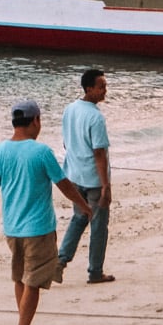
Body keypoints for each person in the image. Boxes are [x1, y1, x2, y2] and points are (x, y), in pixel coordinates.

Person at [0, 98, 93, 325]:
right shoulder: (41, 152)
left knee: (21, 278)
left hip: (12, 228)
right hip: (38, 228)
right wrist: (84, 205)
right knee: (33, 283)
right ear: (35, 121)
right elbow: (63, 184)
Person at [58, 67, 114, 284]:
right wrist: (105, 186)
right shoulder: (95, 118)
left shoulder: (70, 109)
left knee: (79, 218)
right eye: (101, 87)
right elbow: (99, 153)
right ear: (89, 88)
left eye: (105, 87)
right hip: (92, 179)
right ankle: (95, 271)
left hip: (73, 174)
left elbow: (66, 141)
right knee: (99, 225)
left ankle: (60, 260)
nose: (104, 91)